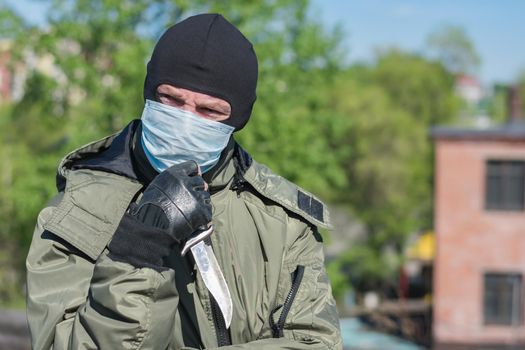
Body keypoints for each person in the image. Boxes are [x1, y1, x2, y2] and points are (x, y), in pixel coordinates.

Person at [26, 13, 342, 350]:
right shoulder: (75, 212)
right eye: (172, 100)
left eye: (209, 111)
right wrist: (137, 250)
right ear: (149, 92)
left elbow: (317, 341)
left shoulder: (283, 222)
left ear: (238, 119)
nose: (186, 121)